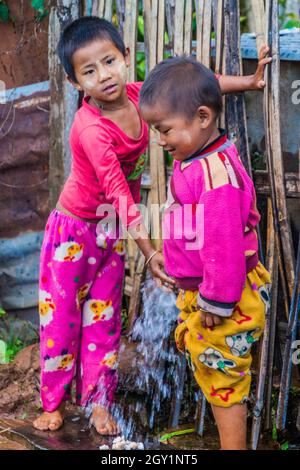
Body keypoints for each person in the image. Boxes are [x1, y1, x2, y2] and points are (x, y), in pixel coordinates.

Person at [33, 15, 270, 436]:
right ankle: (52, 400)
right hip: (74, 232)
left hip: (112, 230)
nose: (104, 75)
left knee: (105, 320)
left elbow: (197, 88)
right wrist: (150, 251)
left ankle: (99, 403)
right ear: (75, 83)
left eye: (109, 61)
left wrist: (247, 83)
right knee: (62, 321)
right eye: (89, 71)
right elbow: (120, 195)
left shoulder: (136, 95)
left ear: (126, 57)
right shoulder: (91, 129)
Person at [139, 56, 271, 450]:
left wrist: (217, 302)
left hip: (226, 297)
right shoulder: (195, 156)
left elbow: (225, 247)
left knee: (224, 382)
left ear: (201, 117)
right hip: (211, 292)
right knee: (214, 373)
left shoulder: (217, 177)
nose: (160, 140)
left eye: (165, 130)